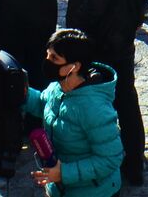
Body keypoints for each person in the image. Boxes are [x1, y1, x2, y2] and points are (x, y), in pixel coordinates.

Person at [65, 0, 148, 185]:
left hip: (100, 40)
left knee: (96, 101)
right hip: (123, 35)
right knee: (127, 98)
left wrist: (77, 33)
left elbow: (95, 0)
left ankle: (103, 161)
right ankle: (134, 160)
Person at [28, 28, 128, 197]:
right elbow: (42, 105)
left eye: (54, 58)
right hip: (62, 188)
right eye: (47, 55)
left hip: (94, 191)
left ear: (74, 67)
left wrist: (63, 173)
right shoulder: (57, 87)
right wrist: (22, 94)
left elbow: (110, 159)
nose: (47, 61)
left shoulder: (94, 109)